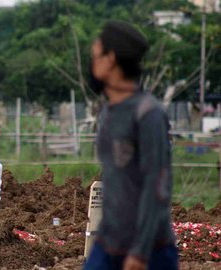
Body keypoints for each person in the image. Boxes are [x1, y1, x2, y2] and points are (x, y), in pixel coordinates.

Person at [84, 21, 177, 270]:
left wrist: (140, 253)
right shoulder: (108, 113)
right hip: (109, 244)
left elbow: (157, 186)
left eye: (95, 56)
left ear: (110, 59)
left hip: (150, 252)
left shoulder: (149, 114)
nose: (91, 65)